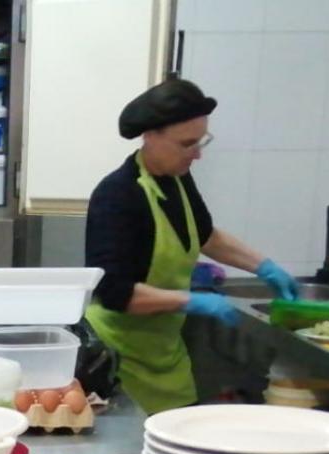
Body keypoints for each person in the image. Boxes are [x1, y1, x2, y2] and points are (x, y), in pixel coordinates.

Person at [84, 78, 300, 413]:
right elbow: (115, 293)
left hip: (166, 356)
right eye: (187, 144)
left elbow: (205, 236)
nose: (197, 154)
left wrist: (264, 266)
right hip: (117, 361)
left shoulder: (178, 180)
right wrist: (194, 301)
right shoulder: (117, 195)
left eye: (201, 142)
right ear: (151, 136)